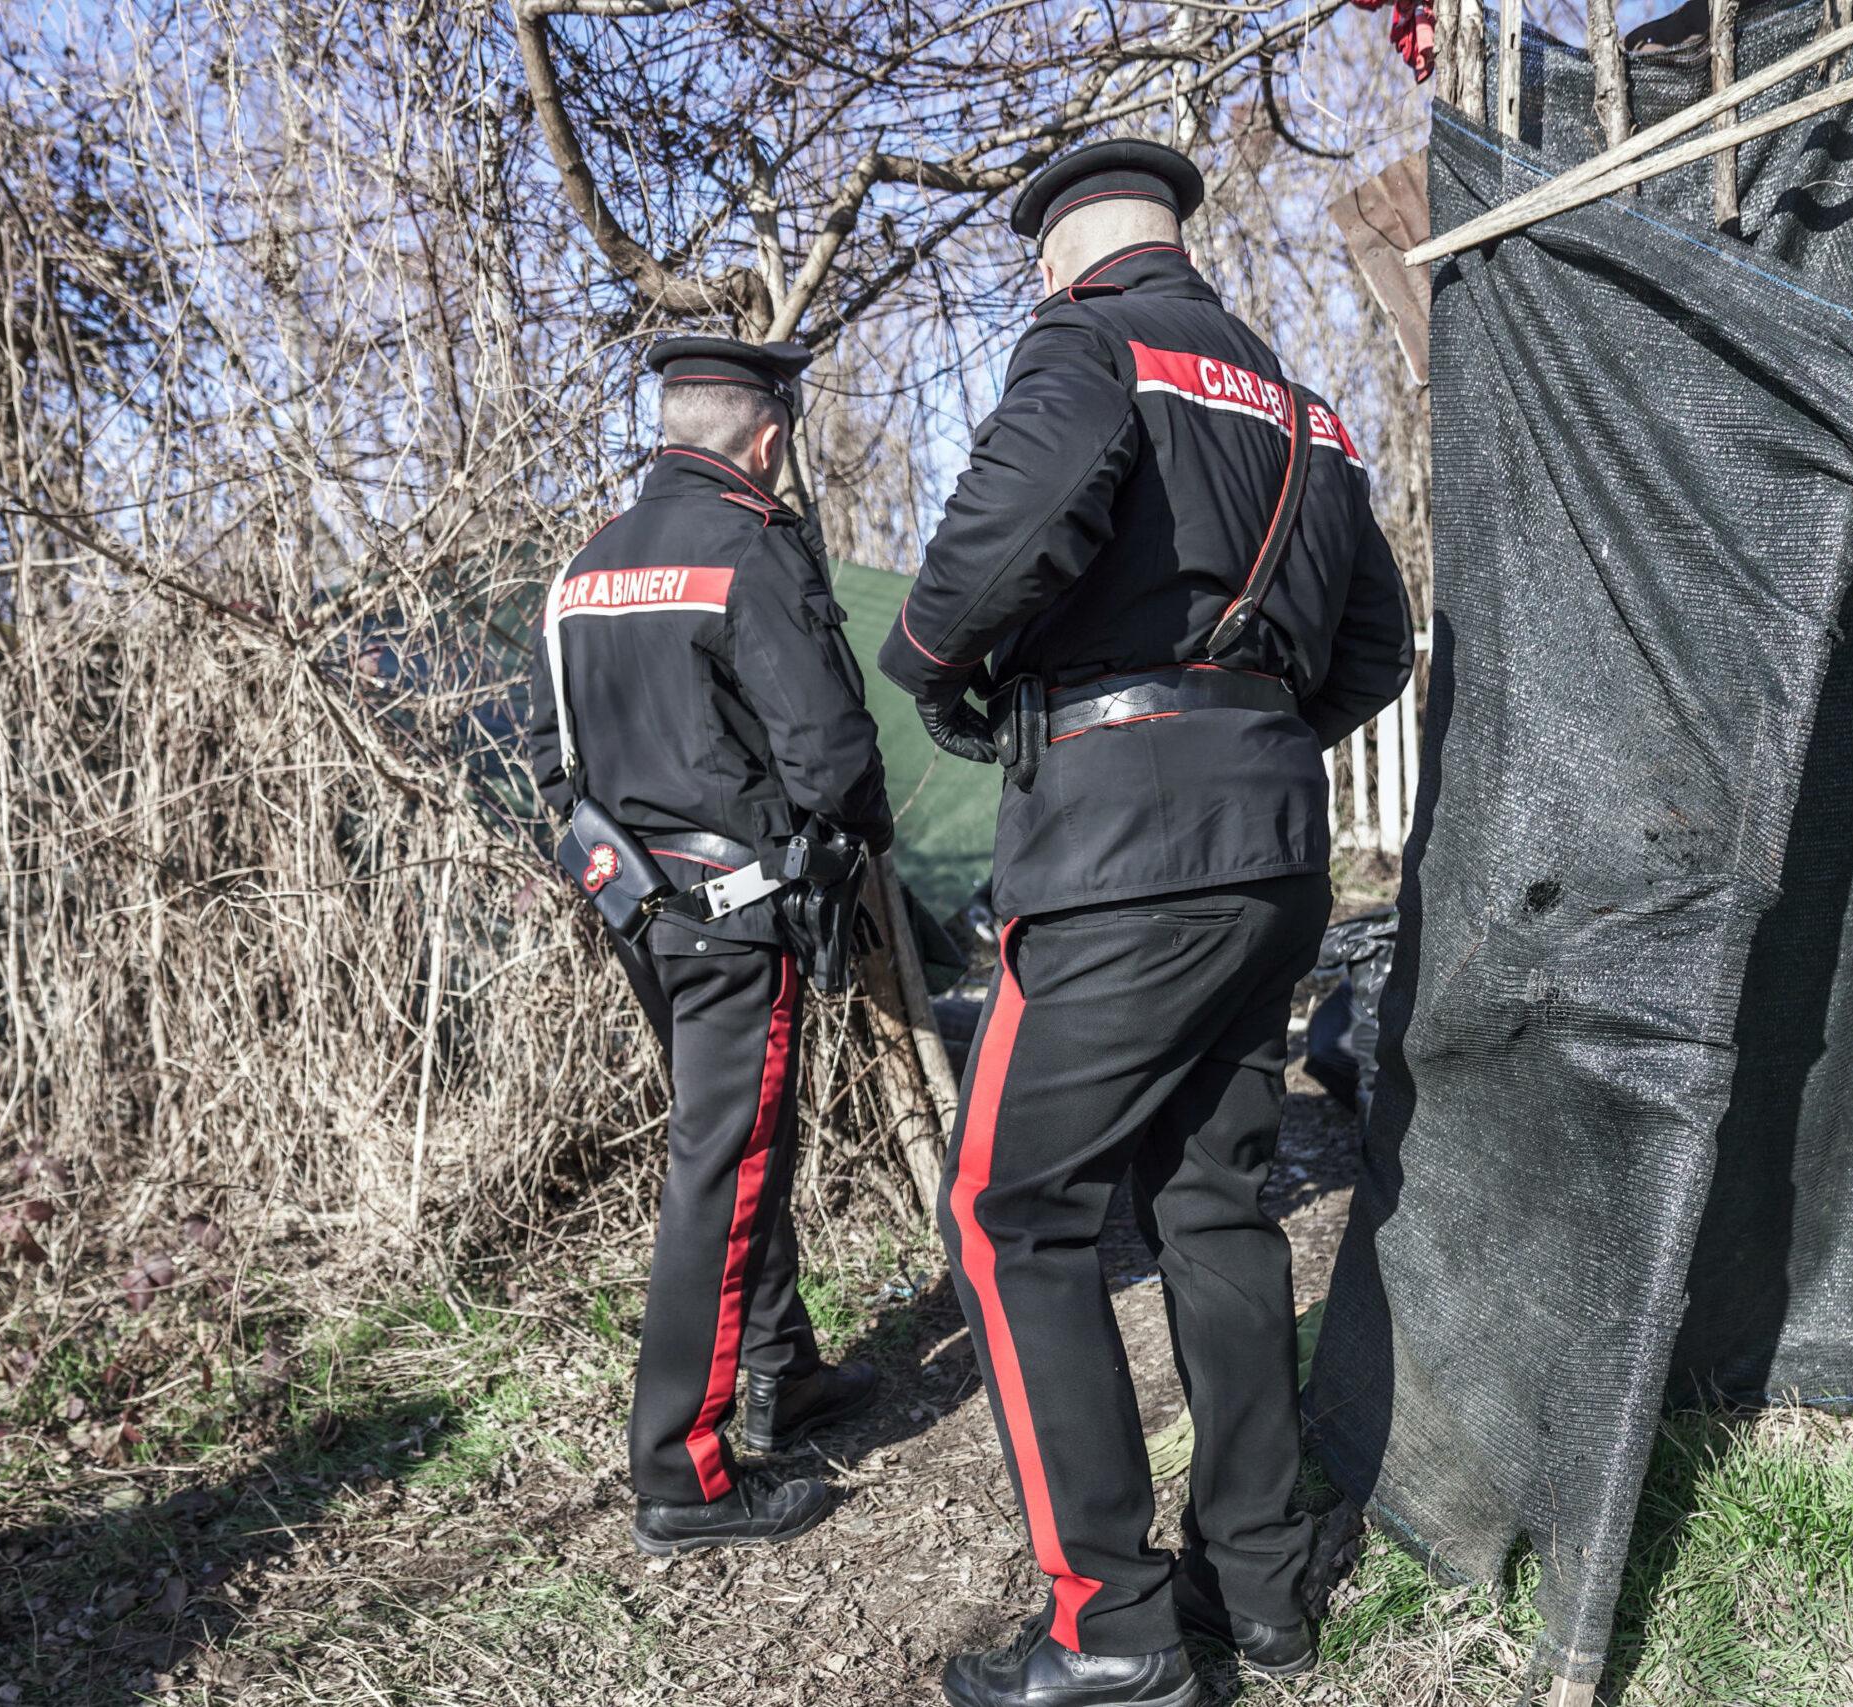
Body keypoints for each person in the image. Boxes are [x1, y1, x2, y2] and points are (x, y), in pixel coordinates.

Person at [877, 140, 1414, 1707]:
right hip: (1269, 844)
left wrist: (931, 663)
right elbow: (1372, 642)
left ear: (1060, 252)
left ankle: (1108, 1624)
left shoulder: (1086, 341)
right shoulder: (1300, 405)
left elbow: (1001, 533)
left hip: (1123, 849)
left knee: (1006, 1208)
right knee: (1212, 1201)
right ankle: (1258, 1588)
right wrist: (1245, 723)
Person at [525, 336, 897, 1555]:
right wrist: (850, 848)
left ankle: (784, 1369)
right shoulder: (750, 549)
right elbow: (830, 752)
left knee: (741, 1140)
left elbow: (549, 757)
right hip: (737, 907)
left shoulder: (580, 571)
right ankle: (680, 1472)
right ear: (767, 439)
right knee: (722, 1164)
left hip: (638, 908)